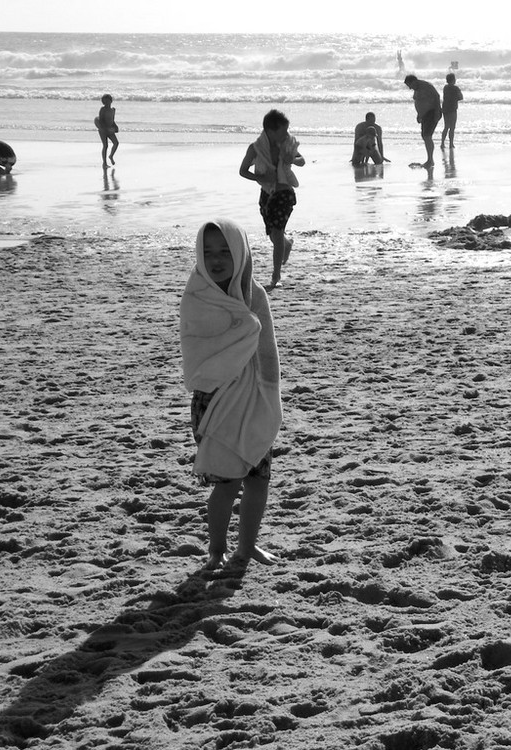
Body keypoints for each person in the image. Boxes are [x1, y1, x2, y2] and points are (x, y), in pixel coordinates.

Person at [180, 219, 283, 570]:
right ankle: (216, 549)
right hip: (214, 401)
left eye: (225, 251)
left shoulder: (255, 294)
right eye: (208, 252)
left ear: (240, 252)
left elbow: (268, 352)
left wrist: (270, 392)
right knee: (228, 482)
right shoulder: (198, 296)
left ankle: (247, 546)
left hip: (255, 399)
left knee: (258, 479)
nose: (217, 259)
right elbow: (196, 355)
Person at [239, 109, 305, 288]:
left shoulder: (287, 144)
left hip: (285, 193)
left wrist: (291, 159)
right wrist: (260, 178)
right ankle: (286, 244)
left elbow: (302, 161)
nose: (287, 133)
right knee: (273, 235)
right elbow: (243, 171)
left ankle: (276, 276)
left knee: (276, 232)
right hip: (267, 194)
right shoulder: (255, 148)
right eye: (283, 130)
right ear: (270, 130)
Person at [403, 74, 441, 168]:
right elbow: (420, 102)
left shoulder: (426, 86)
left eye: (409, 85)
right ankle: (430, 159)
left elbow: (437, 97)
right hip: (425, 115)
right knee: (425, 136)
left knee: (427, 136)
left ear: (414, 81)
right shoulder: (417, 89)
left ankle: (430, 160)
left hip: (432, 112)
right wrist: (419, 114)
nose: (410, 88)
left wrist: (437, 112)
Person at [94, 94, 119, 167]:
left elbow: (112, 120)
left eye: (107, 101)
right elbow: (101, 120)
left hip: (110, 129)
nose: (106, 103)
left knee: (116, 143)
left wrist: (115, 126)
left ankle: (111, 156)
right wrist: (105, 129)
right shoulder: (103, 109)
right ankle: (104, 163)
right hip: (103, 129)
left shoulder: (113, 110)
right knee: (105, 145)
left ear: (111, 100)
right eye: (104, 101)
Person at [441, 72, 464, 149]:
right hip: (452, 109)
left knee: (446, 126)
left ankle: (442, 143)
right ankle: (451, 144)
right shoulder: (455, 88)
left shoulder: (445, 87)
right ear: (453, 80)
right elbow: (461, 97)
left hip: (445, 109)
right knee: (452, 127)